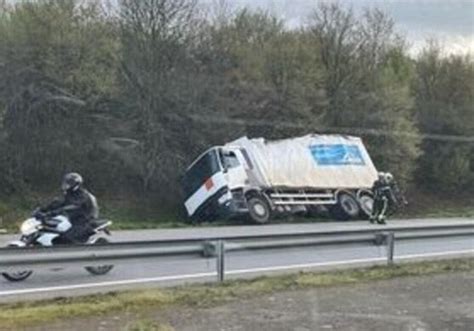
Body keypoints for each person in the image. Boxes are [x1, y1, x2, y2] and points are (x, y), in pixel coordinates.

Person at [35, 172, 99, 243]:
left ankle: (76, 252)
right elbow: (59, 203)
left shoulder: (82, 195)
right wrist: (43, 209)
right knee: (53, 230)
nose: (66, 185)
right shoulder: (70, 194)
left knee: (65, 238)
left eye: (69, 183)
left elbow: (73, 206)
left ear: (75, 184)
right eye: (65, 183)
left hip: (85, 222)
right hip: (73, 221)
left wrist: (54, 212)